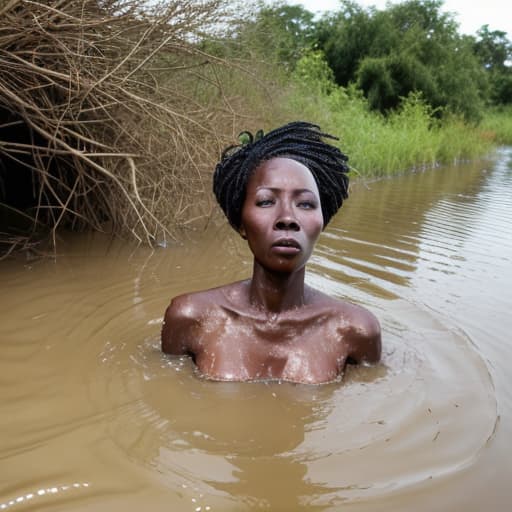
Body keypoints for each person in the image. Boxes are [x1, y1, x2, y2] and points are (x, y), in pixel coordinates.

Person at [161, 121, 381, 384]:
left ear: (321, 221)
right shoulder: (191, 317)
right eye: (266, 201)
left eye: (306, 204)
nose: (287, 218)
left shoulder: (355, 330)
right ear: (240, 222)